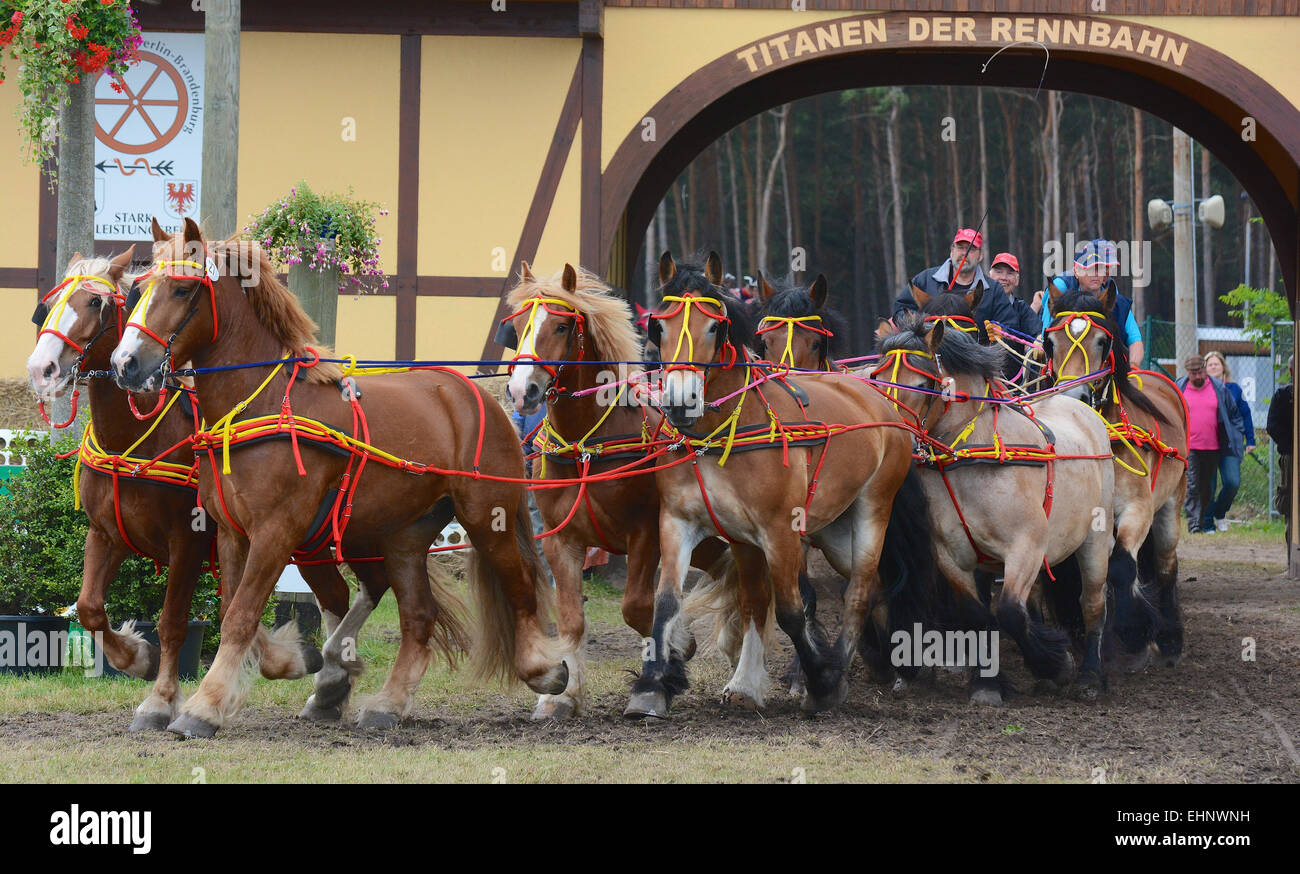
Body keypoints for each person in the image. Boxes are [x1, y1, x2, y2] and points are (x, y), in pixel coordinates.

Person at [1036, 239, 1145, 367]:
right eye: (1091, 268)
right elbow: (1048, 331)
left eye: (1103, 267)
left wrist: (1133, 367)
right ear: (1076, 271)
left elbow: (1135, 340)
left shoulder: (1115, 298)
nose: (1098, 273)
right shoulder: (1060, 287)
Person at [892, 229, 1021, 333]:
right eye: (960, 247)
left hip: (974, 358)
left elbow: (1010, 325)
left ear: (980, 255)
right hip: (927, 355)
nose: (964, 254)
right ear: (952, 251)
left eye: (971, 249)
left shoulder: (994, 290)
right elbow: (900, 309)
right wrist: (919, 323)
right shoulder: (925, 279)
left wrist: (1000, 332)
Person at [1176, 354, 1244, 534]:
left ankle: (1206, 521)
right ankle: (1194, 524)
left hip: (1213, 446)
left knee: (1207, 488)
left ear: (1204, 370)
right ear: (1187, 373)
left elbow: (1234, 414)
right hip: (1190, 446)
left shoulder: (1219, 388)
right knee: (1192, 485)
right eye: (1193, 373)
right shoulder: (1179, 388)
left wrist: (1236, 435)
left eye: (1200, 372)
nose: (1197, 376)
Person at [1201, 351, 1256, 532]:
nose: (1213, 367)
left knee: (1232, 482)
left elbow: (1245, 414)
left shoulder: (1234, 389)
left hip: (1230, 444)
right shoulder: (1200, 389)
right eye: (1210, 364)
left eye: (1216, 364)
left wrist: (1250, 439)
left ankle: (1219, 512)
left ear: (1223, 367)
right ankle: (1208, 525)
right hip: (1206, 443)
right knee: (1208, 485)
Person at [1267, 355, 1294, 543]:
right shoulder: (1283, 395)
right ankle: (1292, 552)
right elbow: (1272, 426)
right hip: (1291, 456)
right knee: (1289, 500)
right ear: (1291, 371)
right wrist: (1290, 446)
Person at [988, 252, 1042, 339]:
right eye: (999, 272)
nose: (1004, 278)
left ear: (1017, 280)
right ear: (989, 276)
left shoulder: (1022, 310)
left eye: (1010, 273)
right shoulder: (979, 304)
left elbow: (1038, 335)